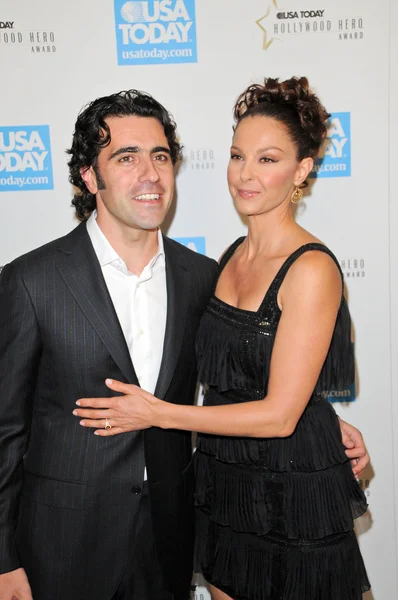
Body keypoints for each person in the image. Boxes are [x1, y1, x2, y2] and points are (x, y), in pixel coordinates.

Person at [74, 78, 370, 600]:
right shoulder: (227, 259)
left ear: (301, 171)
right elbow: (247, 371)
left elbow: (280, 415)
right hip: (225, 482)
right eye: (237, 156)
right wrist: (324, 414)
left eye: (268, 159)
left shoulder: (311, 269)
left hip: (290, 486)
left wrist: (159, 413)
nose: (246, 175)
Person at [0, 90, 219, 600]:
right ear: (89, 177)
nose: (151, 174)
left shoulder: (202, 278)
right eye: (126, 157)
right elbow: (5, 429)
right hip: (61, 549)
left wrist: (322, 425)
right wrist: (3, 560)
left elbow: (236, 389)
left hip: (169, 544)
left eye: (160, 156)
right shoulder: (31, 282)